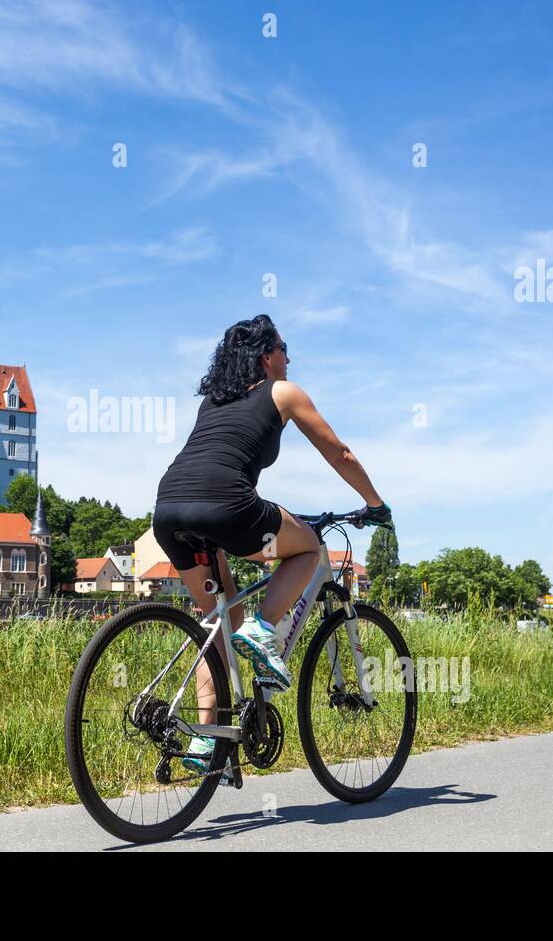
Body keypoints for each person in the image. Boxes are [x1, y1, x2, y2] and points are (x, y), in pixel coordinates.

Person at [152, 314, 391, 770]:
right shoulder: (283, 391)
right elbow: (339, 452)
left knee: (219, 625)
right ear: (267, 356)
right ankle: (263, 632)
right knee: (307, 547)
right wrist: (374, 502)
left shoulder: (213, 402)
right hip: (225, 505)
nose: (289, 359)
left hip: (169, 510)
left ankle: (207, 739)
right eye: (284, 349)